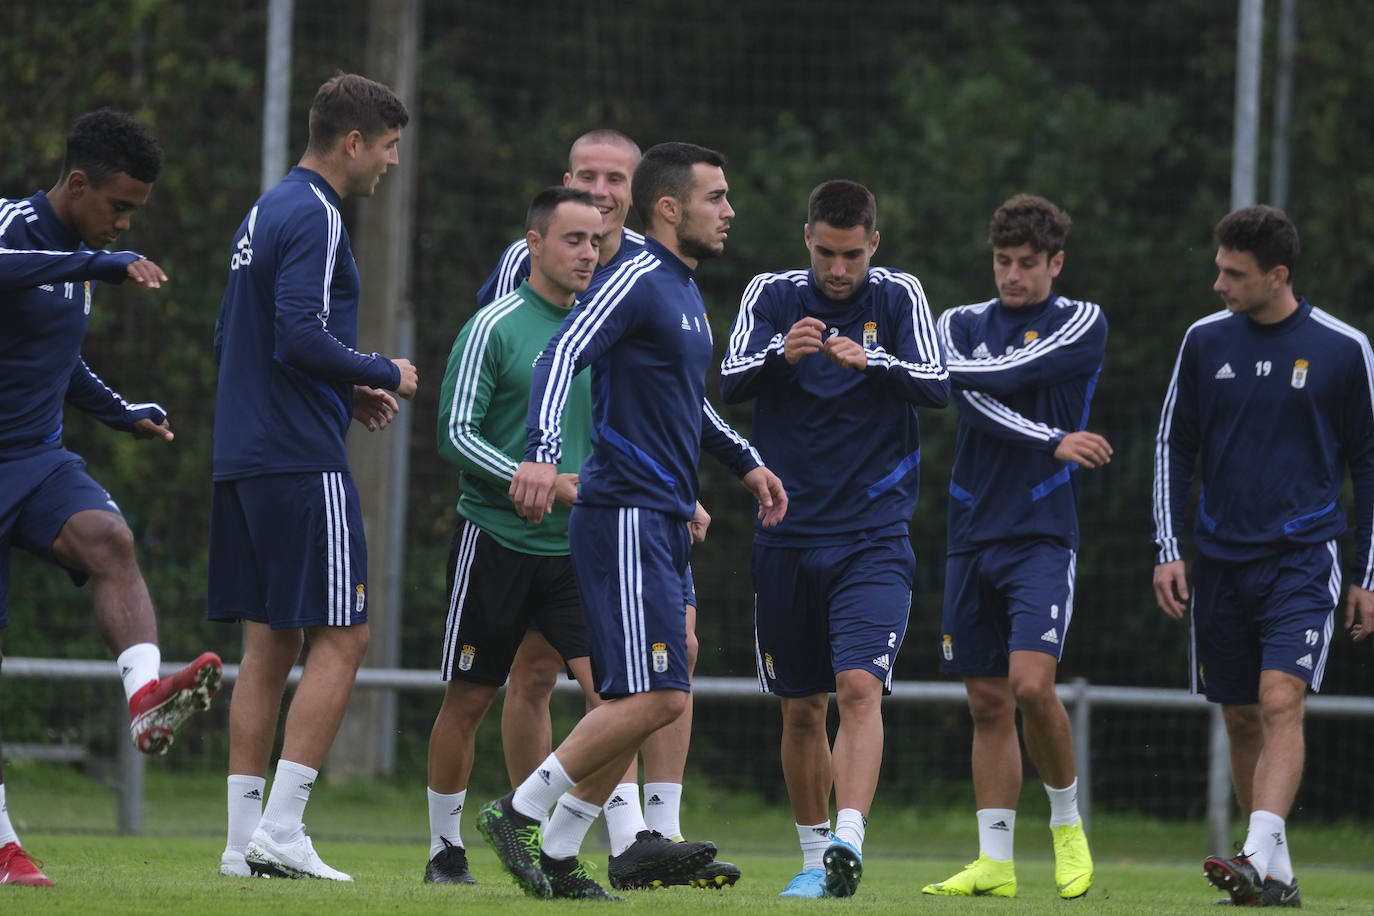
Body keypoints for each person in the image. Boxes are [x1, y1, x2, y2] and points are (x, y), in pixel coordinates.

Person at [478, 141, 787, 900]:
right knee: (659, 696)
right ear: (671, 208)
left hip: (663, 516)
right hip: (624, 514)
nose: (730, 211)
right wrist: (542, 455)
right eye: (717, 197)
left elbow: (686, 403)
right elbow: (559, 355)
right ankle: (519, 813)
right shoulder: (639, 276)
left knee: (643, 692)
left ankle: (560, 854)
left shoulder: (680, 287)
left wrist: (745, 461)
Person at [0, 109, 223, 888]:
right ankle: (3, 846)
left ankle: (146, 700)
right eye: (118, 207)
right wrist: (98, 263)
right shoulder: (14, 227)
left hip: (34, 458)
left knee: (110, 540)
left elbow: (57, 358)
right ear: (77, 182)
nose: (124, 224)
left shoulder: (81, 257)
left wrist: (122, 411)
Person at [208, 73, 417, 882]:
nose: (391, 162)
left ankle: (241, 845)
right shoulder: (320, 214)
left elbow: (238, 334)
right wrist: (381, 370)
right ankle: (284, 829)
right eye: (388, 147)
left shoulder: (265, 210)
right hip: (298, 459)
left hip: (244, 456)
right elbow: (298, 332)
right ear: (353, 142)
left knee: (270, 642)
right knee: (346, 635)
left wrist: (341, 389)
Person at [719, 179, 949, 898]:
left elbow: (939, 383)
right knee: (801, 708)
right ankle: (814, 856)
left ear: (874, 244)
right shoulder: (771, 294)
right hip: (786, 533)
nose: (839, 269)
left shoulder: (900, 295)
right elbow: (727, 381)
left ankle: (849, 837)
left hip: (873, 535)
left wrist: (873, 361)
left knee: (858, 686)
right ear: (807, 239)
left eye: (852, 255)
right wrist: (781, 356)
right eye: (826, 253)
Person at [1152, 204, 1374, 908]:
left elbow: (1370, 464)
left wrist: (1369, 573)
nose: (1218, 283)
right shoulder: (1202, 341)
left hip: (1303, 557)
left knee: (1281, 699)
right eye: (1219, 268)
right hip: (1220, 560)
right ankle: (1274, 877)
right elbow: (1173, 445)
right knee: (1242, 715)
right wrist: (1168, 548)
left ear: (1277, 275)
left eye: (1233, 273)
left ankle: (1251, 854)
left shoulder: (1344, 349)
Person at [920, 194, 1108, 901]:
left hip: (1041, 531)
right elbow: (969, 400)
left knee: (1031, 685)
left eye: (1027, 263)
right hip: (971, 531)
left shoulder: (1081, 320)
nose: (1012, 275)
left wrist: (927, 370)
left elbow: (1009, 377)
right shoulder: (959, 322)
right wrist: (1051, 438)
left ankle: (1067, 825)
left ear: (1056, 263)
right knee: (987, 700)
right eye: (1002, 261)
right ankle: (994, 862)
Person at [424, 187, 604, 885]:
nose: (588, 254)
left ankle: (553, 846)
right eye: (573, 240)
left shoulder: (600, 332)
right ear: (534, 243)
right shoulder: (493, 326)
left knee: (618, 703)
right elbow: (454, 434)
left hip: (576, 551)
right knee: (470, 698)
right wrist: (534, 479)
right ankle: (445, 850)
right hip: (494, 542)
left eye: (596, 242)